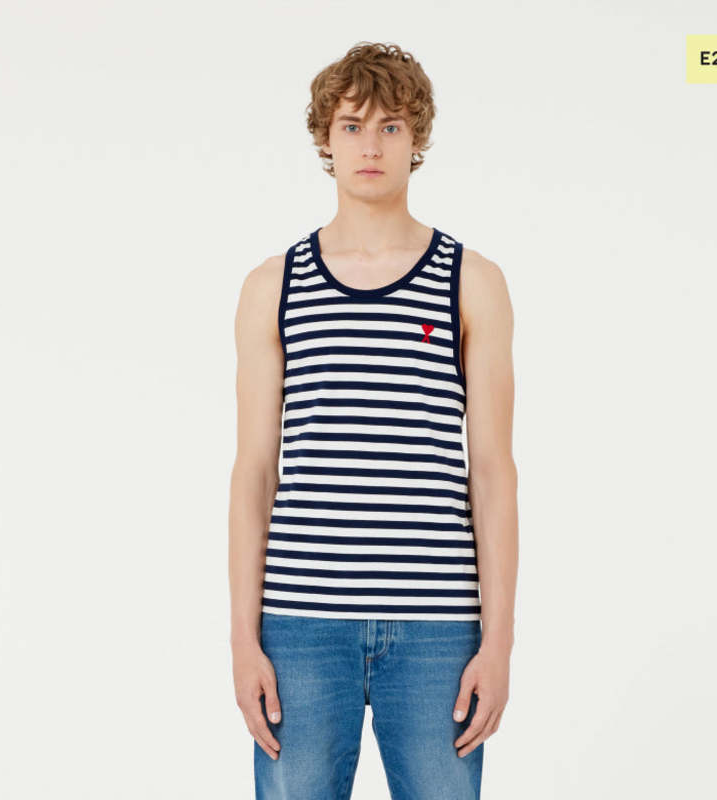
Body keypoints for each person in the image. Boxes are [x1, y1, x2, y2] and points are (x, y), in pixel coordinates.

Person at [228, 41, 518, 799]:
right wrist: (243, 636)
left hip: (437, 626)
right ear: (325, 138)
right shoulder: (273, 286)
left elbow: (492, 471)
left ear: (416, 138)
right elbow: (254, 471)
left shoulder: (470, 282)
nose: (371, 145)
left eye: (391, 126)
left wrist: (499, 641)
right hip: (299, 623)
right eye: (352, 126)